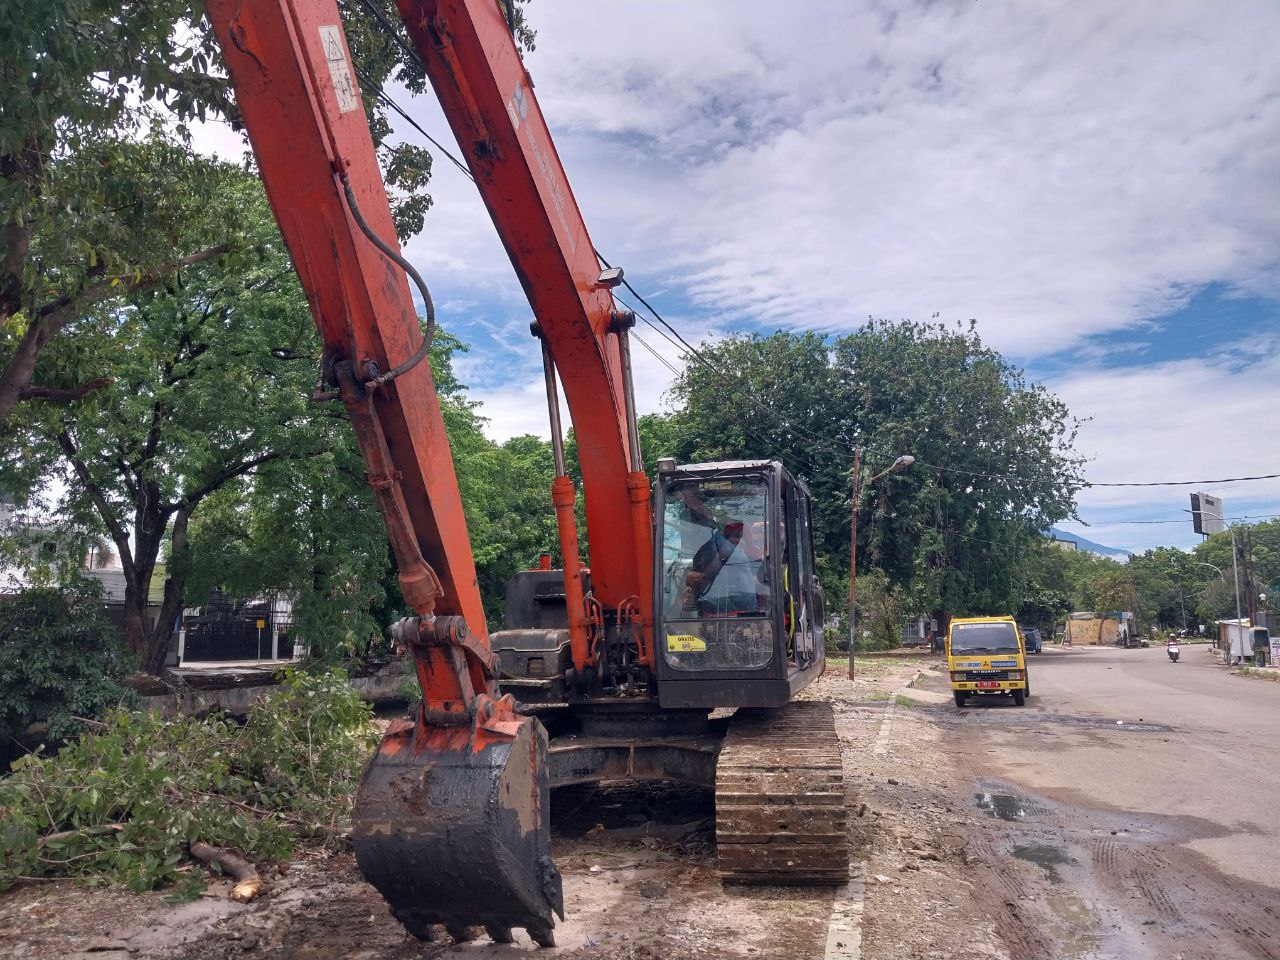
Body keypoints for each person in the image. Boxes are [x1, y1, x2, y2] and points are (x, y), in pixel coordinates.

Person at [682, 520, 761, 614]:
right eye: (735, 536)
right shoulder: (741, 556)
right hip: (742, 603)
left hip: (741, 603)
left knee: (702, 604)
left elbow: (710, 571)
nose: (738, 540)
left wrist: (699, 577)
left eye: (741, 537)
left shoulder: (736, 553)